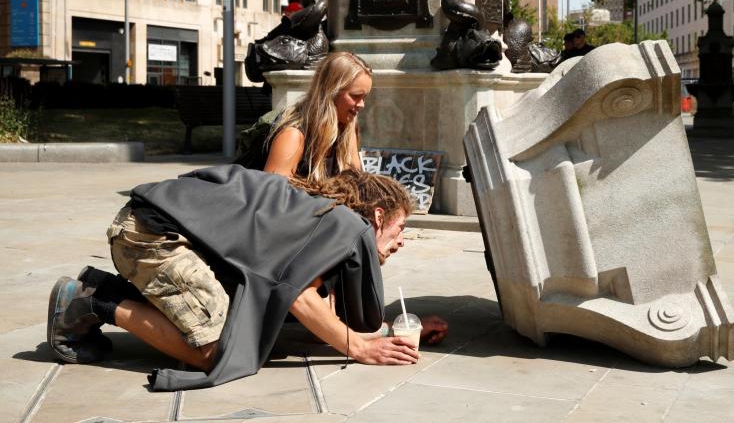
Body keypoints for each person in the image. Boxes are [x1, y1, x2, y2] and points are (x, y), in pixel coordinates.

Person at [46, 167, 449, 391]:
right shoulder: (341, 227)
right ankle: (92, 299)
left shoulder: (320, 216)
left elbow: (319, 315)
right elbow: (300, 298)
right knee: (218, 352)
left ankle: (109, 293)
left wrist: (387, 331)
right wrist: (359, 349)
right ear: (377, 217)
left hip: (155, 227)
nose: (400, 243)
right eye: (400, 230)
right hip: (153, 236)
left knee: (246, 334)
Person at [264, 51, 372, 182]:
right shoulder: (293, 136)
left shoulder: (348, 128)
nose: (362, 104)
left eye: (364, 98)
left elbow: (356, 183)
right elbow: (272, 193)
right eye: (355, 96)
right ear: (331, 91)